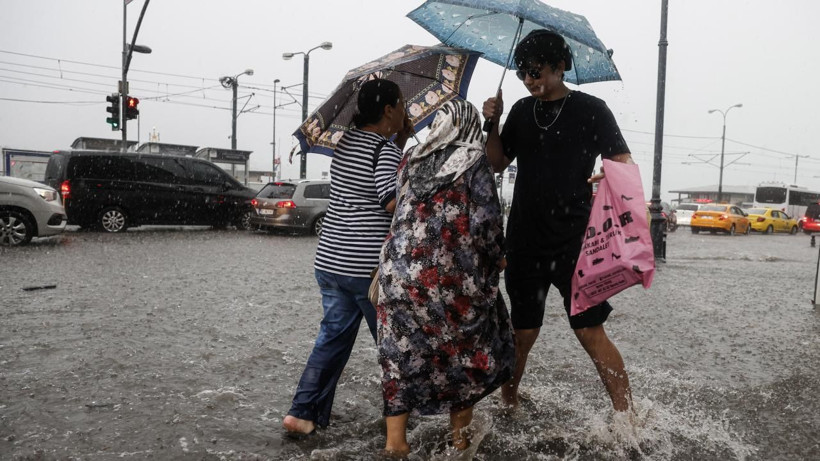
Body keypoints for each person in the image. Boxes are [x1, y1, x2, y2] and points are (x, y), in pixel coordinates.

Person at [481, 30, 635, 413]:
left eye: (536, 72)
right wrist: (493, 124)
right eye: (522, 74)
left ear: (559, 66)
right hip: (525, 239)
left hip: (576, 241)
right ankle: (509, 401)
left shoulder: (592, 109)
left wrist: (609, 173)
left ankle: (626, 417)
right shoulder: (519, 110)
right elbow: (497, 163)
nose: (529, 80)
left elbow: (623, 162)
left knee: (589, 331)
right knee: (522, 333)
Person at [377, 99, 515, 455]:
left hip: (398, 274)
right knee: (462, 353)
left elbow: (401, 208)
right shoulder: (473, 161)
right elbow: (485, 223)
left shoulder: (410, 159)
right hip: (450, 279)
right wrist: (498, 257)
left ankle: (395, 443)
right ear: (469, 126)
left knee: (400, 356)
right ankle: (459, 441)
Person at [282, 78, 414, 436]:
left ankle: (302, 413)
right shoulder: (385, 151)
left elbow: (366, 178)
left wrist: (398, 141)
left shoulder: (346, 144)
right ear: (389, 110)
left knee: (332, 338)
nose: (406, 110)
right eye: (402, 104)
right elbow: (388, 198)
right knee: (397, 346)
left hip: (331, 260)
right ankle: (402, 424)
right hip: (366, 268)